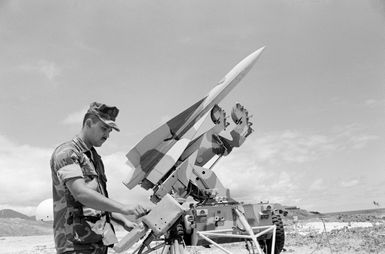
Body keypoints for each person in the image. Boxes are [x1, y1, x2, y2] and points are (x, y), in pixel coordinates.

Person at [50, 102, 147, 254]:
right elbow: (81, 194)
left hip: (97, 242)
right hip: (75, 246)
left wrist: (123, 221)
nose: (107, 135)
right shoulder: (67, 153)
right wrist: (124, 207)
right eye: (104, 128)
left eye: (110, 131)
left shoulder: (94, 158)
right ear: (89, 123)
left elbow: (98, 199)